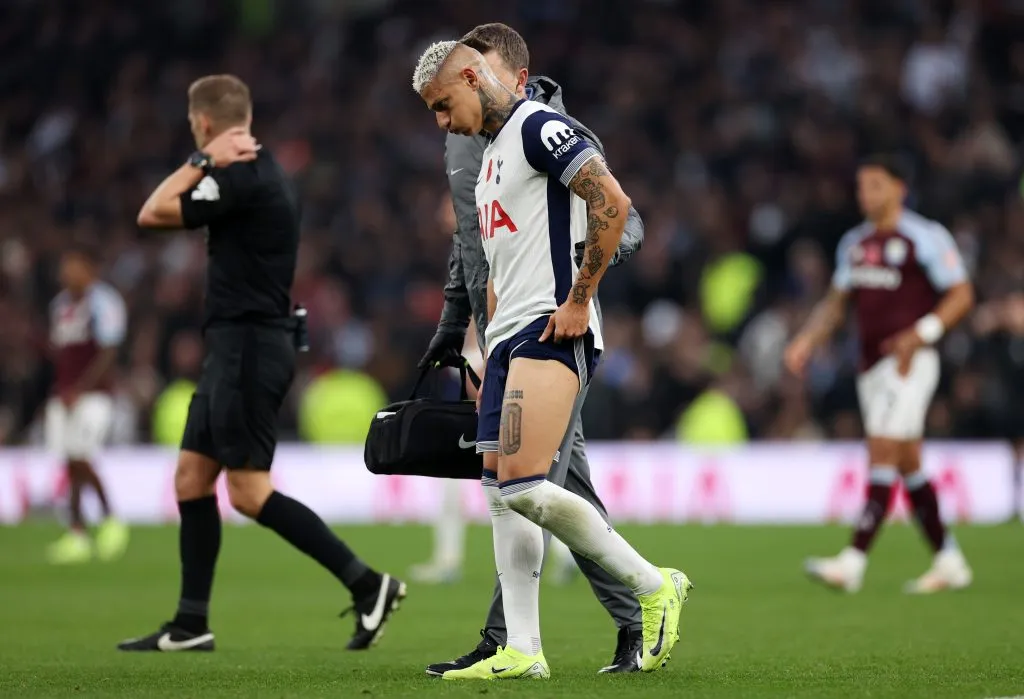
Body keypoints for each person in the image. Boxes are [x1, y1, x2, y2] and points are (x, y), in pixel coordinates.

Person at [414, 42, 692, 680]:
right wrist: (486, 340)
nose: (442, 122)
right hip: (507, 339)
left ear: (470, 76)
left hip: (551, 328)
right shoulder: (491, 156)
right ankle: (523, 649)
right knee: (500, 493)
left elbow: (614, 205)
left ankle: (655, 586)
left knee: (524, 486)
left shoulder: (540, 127)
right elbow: (496, 261)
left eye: (443, 106)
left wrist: (579, 299)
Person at [120, 74, 405, 652]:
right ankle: (190, 625)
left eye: (194, 126)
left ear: (203, 122)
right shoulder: (262, 170)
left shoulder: (240, 175)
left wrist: (200, 160)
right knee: (191, 478)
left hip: (249, 349)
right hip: (236, 346)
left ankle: (368, 584)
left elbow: (151, 212)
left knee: (249, 492)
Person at [785, 155, 975, 594]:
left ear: (899, 189)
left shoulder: (924, 237)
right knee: (907, 461)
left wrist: (921, 334)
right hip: (870, 366)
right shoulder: (854, 243)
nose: (865, 194)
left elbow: (962, 294)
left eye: (875, 185)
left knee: (883, 451)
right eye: (861, 186)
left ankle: (852, 562)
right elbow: (837, 303)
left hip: (910, 362)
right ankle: (949, 560)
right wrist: (807, 340)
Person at [44, 244, 130, 565]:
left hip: (94, 395)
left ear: (89, 268)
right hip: (65, 394)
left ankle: (110, 518)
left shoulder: (104, 302)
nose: (67, 273)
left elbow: (108, 351)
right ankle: (77, 531)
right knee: (70, 461)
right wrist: (62, 389)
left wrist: (80, 389)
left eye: (73, 266)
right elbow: (62, 352)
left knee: (81, 456)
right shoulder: (59, 305)